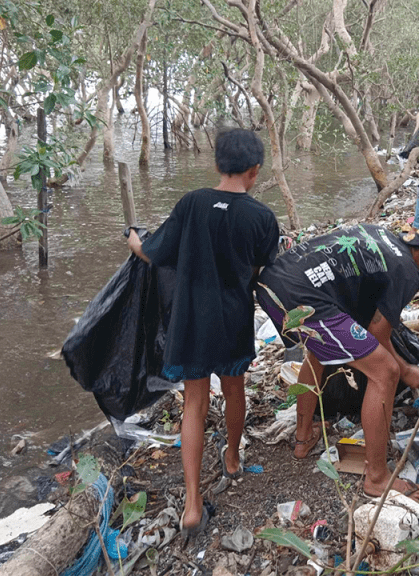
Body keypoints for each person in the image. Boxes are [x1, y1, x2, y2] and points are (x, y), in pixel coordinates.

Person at [126, 129, 280, 537]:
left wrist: (133, 239)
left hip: (190, 320)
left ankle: (192, 504)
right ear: (255, 171)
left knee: (194, 402)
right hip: (233, 319)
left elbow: (153, 253)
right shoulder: (262, 217)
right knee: (234, 389)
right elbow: (262, 269)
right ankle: (232, 458)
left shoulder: (191, 203)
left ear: (216, 165)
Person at [256, 221, 419, 502]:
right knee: (385, 372)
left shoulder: (381, 234)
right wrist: (407, 370)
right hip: (301, 297)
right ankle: (377, 479)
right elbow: (378, 332)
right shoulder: (406, 271)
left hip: (273, 283)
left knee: (319, 353)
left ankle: (303, 439)